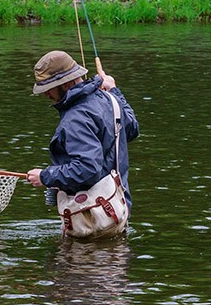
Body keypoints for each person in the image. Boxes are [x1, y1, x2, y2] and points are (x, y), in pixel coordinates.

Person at [26, 50, 139, 213]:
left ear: (65, 84)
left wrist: (45, 176)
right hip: (117, 209)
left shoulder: (76, 118)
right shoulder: (106, 97)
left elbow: (87, 169)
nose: (46, 94)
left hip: (90, 217)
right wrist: (114, 90)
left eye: (49, 88)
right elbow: (132, 128)